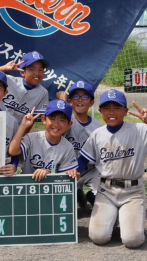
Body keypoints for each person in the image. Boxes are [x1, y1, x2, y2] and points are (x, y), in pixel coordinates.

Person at [79, 89, 147, 248]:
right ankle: (115, 218)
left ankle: (134, 224)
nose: (111, 112)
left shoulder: (140, 130)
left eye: (117, 108)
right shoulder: (97, 134)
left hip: (133, 192)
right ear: (101, 111)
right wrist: (76, 170)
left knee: (133, 241)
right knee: (98, 237)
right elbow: (83, 158)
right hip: (106, 192)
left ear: (125, 111)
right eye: (107, 108)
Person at [9, 99, 79, 181]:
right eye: (52, 119)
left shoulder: (67, 147)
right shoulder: (32, 138)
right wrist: (23, 126)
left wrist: (70, 173)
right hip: (27, 188)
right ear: (44, 119)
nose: (56, 124)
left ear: (69, 124)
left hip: (51, 191)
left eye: (62, 120)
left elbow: (64, 180)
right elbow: (13, 151)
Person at [65, 80, 102, 213]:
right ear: (70, 101)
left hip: (91, 170)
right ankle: (77, 192)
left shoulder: (98, 127)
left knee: (104, 197)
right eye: (76, 96)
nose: (80, 100)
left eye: (85, 96)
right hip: (67, 170)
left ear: (91, 102)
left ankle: (90, 195)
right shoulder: (64, 122)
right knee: (65, 206)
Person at [0, 50, 50, 124]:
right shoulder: (8, 80)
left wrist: (21, 135)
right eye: (32, 69)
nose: (37, 73)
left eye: (40, 70)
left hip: (15, 132)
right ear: (22, 72)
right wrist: (4, 68)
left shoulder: (43, 93)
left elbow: (31, 120)